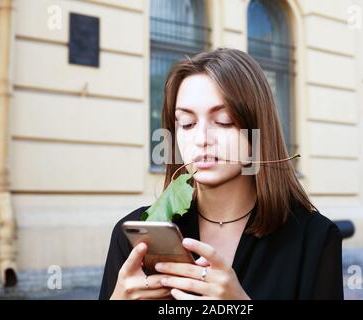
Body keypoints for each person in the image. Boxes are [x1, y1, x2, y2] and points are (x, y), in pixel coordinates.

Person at [99, 48, 343, 300]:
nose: (201, 139)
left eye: (224, 120)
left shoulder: (315, 239)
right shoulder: (137, 236)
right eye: (187, 124)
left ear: (258, 130)